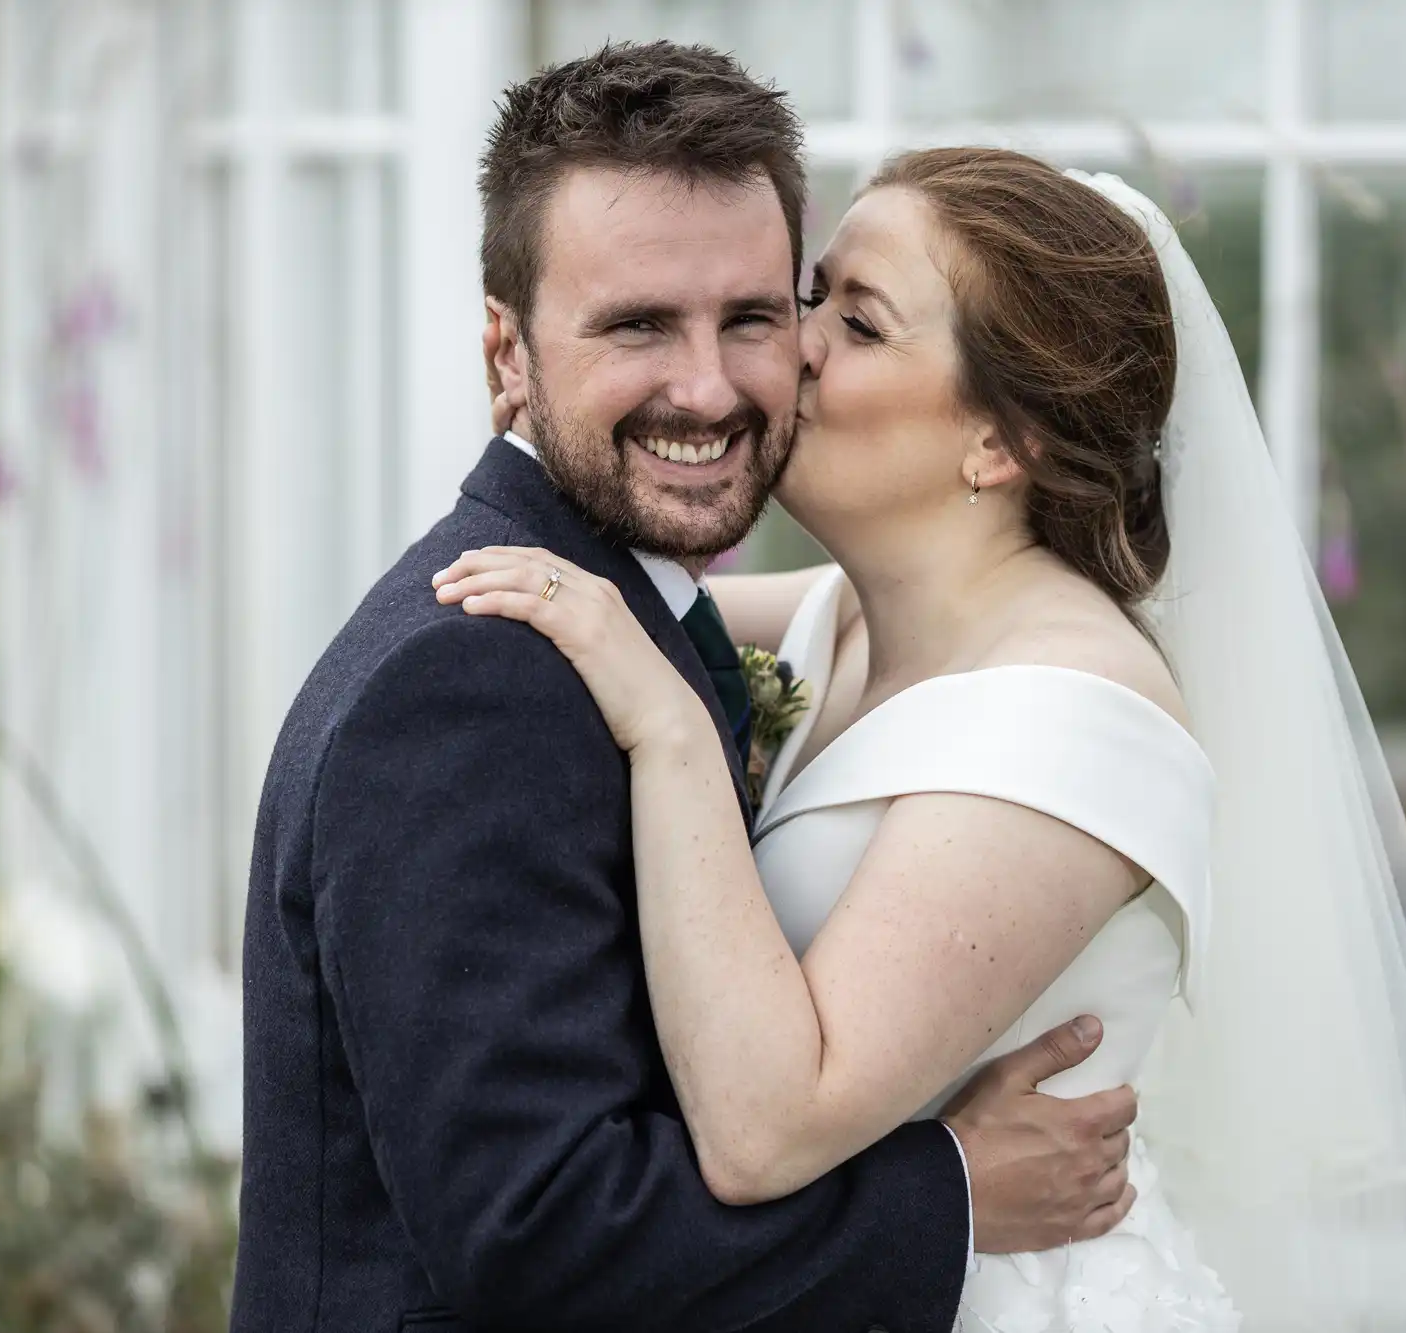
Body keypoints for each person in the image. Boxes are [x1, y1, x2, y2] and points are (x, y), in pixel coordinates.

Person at [444, 144, 1406, 1329]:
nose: (791, 345)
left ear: (1000, 441)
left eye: (858, 325)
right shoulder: (841, 616)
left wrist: (666, 727)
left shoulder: (1072, 722)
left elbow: (766, 1131)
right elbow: (588, 593)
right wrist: (549, 393)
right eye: (815, 295)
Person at [232, 44, 1138, 1333]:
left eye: (756, 318)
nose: (707, 389)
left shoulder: (647, 615)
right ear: (506, 352)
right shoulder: (478, 680)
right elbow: (538, 1231)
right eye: (638, 324)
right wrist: (950, 1192)